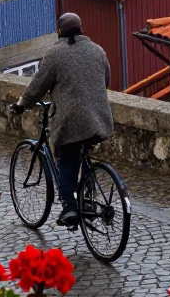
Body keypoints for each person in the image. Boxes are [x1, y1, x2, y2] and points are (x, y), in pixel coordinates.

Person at [11, 12, 113, 227]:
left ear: (60, 32)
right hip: (100, 118)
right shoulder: (97, 50)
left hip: (72, 119)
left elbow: (37, 86)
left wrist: (21, 105)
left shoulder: (55, 54)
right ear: (81, 28)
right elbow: (107, 80)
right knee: (82, 151)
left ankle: (69, 207)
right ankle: (88, 196)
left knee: (66, 156)